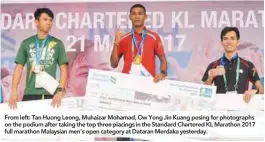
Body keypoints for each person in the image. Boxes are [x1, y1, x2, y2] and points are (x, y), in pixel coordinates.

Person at [8, 8, 68, 109]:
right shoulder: (26, 43)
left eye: (50, 20)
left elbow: (64, 69)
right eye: (45, 19)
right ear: (36, 22)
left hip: (51, 94)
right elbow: (19, 68)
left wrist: (60, 91)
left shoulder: (58, 44)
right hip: (30, 93)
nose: (48, 23)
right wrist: (14, 92)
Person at [202, 27, 264, 103]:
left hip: (241, 110)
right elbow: (203, 93)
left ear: (238, 42)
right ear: (221, 42)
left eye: (232, 38)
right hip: (219, 110)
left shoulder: (248, 65)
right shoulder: (213, 65)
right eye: (225, 38)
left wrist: (254, 91)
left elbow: (261, 90)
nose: (229, 41)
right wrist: (210, 78)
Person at [110, 4, 168, 83]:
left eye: (140, 14)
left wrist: (163, 73)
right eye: (134, 14)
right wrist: (115, 42)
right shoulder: (124, 38)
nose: (137, 16)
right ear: (130, 17)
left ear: (145, 17)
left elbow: (163, 58)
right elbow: (113, 64)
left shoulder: (154, 37)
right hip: (127, 83)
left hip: (148, 83)